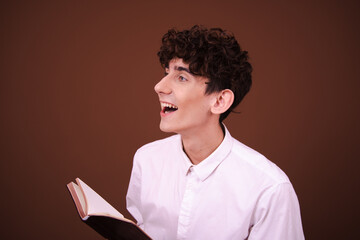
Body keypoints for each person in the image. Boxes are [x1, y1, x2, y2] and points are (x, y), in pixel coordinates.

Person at [126, 25, 304, 240]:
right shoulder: (147, 159)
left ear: (220, 101)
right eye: (166, 73)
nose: (159, 86)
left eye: (181, 77)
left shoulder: (270, 188)